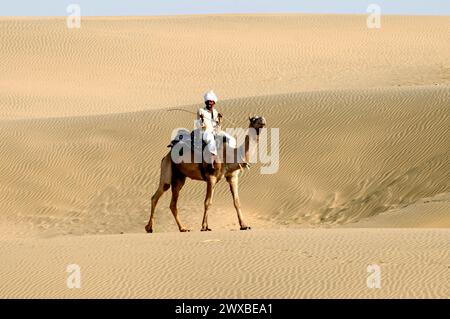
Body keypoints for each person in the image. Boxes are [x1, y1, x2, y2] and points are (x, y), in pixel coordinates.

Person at [196, 90, 224, 169]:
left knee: (227, 138)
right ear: (205, 102)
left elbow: (217, 127)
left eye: (211, 101)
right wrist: (201, 119)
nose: (209, 103)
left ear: (214, 103)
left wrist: (220, 119)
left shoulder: (215, 112)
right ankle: (212, 160)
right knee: (211, 140)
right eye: (208, 101)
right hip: (205, 132)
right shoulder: (201, 111)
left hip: (214, 132)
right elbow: (200, 126)